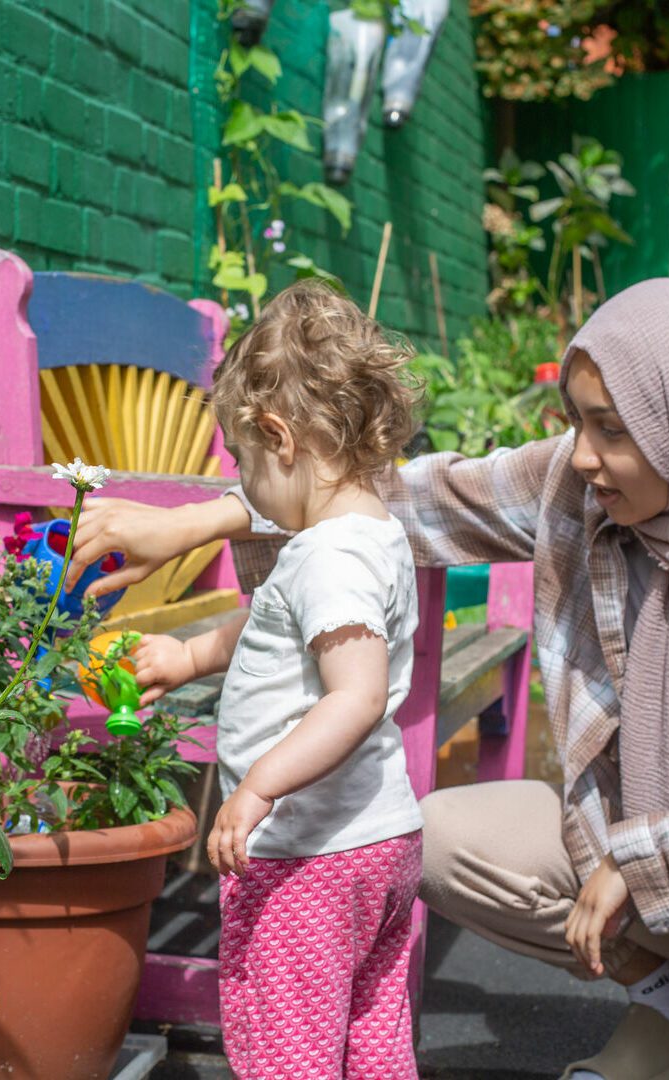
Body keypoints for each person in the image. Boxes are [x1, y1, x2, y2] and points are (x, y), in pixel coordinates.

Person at [69, 279, 669, 1080]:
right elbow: (380, 492)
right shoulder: (580, 486)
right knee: (435, 836)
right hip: (656, 836)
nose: (586, 453)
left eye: (614, 427)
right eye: (578, 421)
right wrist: (191, 523)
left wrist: (643, 857)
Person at [125, 281, 425, 1079]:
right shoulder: (371, 532)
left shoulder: (328, 556)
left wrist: (256, 787)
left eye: (245, 465)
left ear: (279, 437)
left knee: (287, 1049)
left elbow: (354, 696)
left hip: (307, 857)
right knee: (371, 1035)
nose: (247, 491)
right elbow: (280, 629)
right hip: (379, 844)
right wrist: (189, 658)